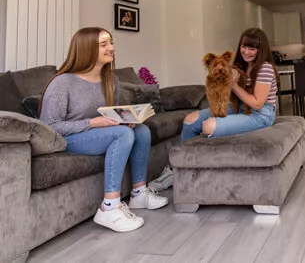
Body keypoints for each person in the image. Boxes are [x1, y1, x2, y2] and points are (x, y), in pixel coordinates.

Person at [40, 27, 168, 233]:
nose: (111, 48)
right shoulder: (62, 83)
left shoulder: (111, 80)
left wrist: (125, 120)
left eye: (111, 42)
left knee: (141, 130)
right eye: (104, 45)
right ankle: (109, 207)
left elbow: (110, 114)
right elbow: (48, 127)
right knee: (122, 134)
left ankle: (139, 194)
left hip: (96, 135)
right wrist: (92, 123)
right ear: (86, 49)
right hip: (67, 139)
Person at [148, 27, 278, 191]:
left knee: (208, 126)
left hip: (261, 115)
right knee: (190, 120)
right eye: (244, 46)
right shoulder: (241, 66)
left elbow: (258, 103)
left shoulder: (265, 68)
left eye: (252, 48)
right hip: (239, 108)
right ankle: (177, 170)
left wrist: (233, 84)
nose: (246, 51)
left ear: (261, 49)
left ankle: (198, 170)